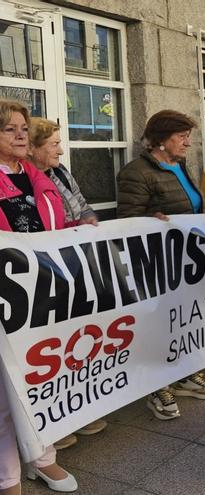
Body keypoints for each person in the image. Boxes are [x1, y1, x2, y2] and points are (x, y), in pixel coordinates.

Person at [116, 110, 205, 420]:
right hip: (158, 265)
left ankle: (183, 373)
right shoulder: (136, 172)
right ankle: (157, 386)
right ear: (161, 140)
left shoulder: (179, 165)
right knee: (160, 325)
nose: (189, 142)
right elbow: (128, 221)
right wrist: (150, 222)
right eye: (182, 136)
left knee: (184, 320)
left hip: (186, 261)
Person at [0, 100, 78, 493]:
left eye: (22, 127)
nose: (19, 134)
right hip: (5, 298)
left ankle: (42, 459)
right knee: (3, 391)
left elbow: (61, 225)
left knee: (40, 379)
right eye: (9, 128)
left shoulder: (38, 176)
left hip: (43, 294)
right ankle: (7, 476)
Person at [29, 117, 108, 449]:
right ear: (32, 149)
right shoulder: (26, 182)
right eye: (53, 145)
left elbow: (83, 204)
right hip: (43, 272)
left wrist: (88, 221)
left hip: (72, 267)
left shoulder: (60, 173)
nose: (61, 150)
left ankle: (71, 408)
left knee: (72, 339)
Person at [28, 118, 98, 227]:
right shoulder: (21, 182)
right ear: (30, 148)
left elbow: (83, 207)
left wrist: (88, 218)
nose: (61, 151)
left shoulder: (60, 172)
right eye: (55, 144)